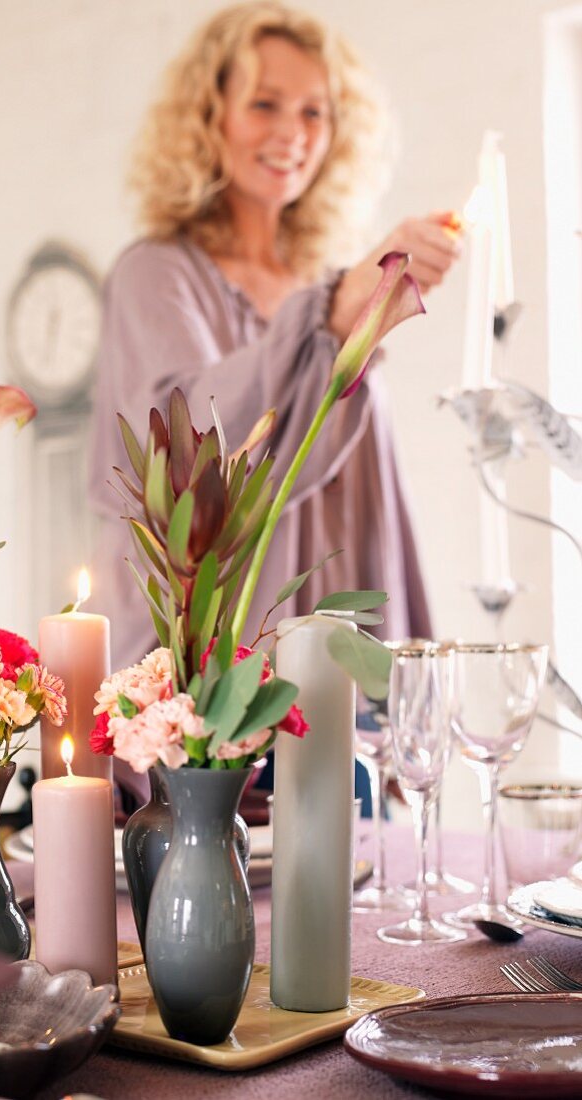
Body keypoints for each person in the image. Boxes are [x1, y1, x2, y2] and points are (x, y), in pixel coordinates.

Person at [88, 1, 459, 692]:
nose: (292, 133)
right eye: (265, 104)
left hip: (333, 671)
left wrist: (397, 671)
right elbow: (189, 440)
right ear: (209, 115)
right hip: (212, 680)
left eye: (314, 113)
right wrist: (334, 312)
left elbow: (371, 503)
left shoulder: (331, 286)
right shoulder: (155, 273)